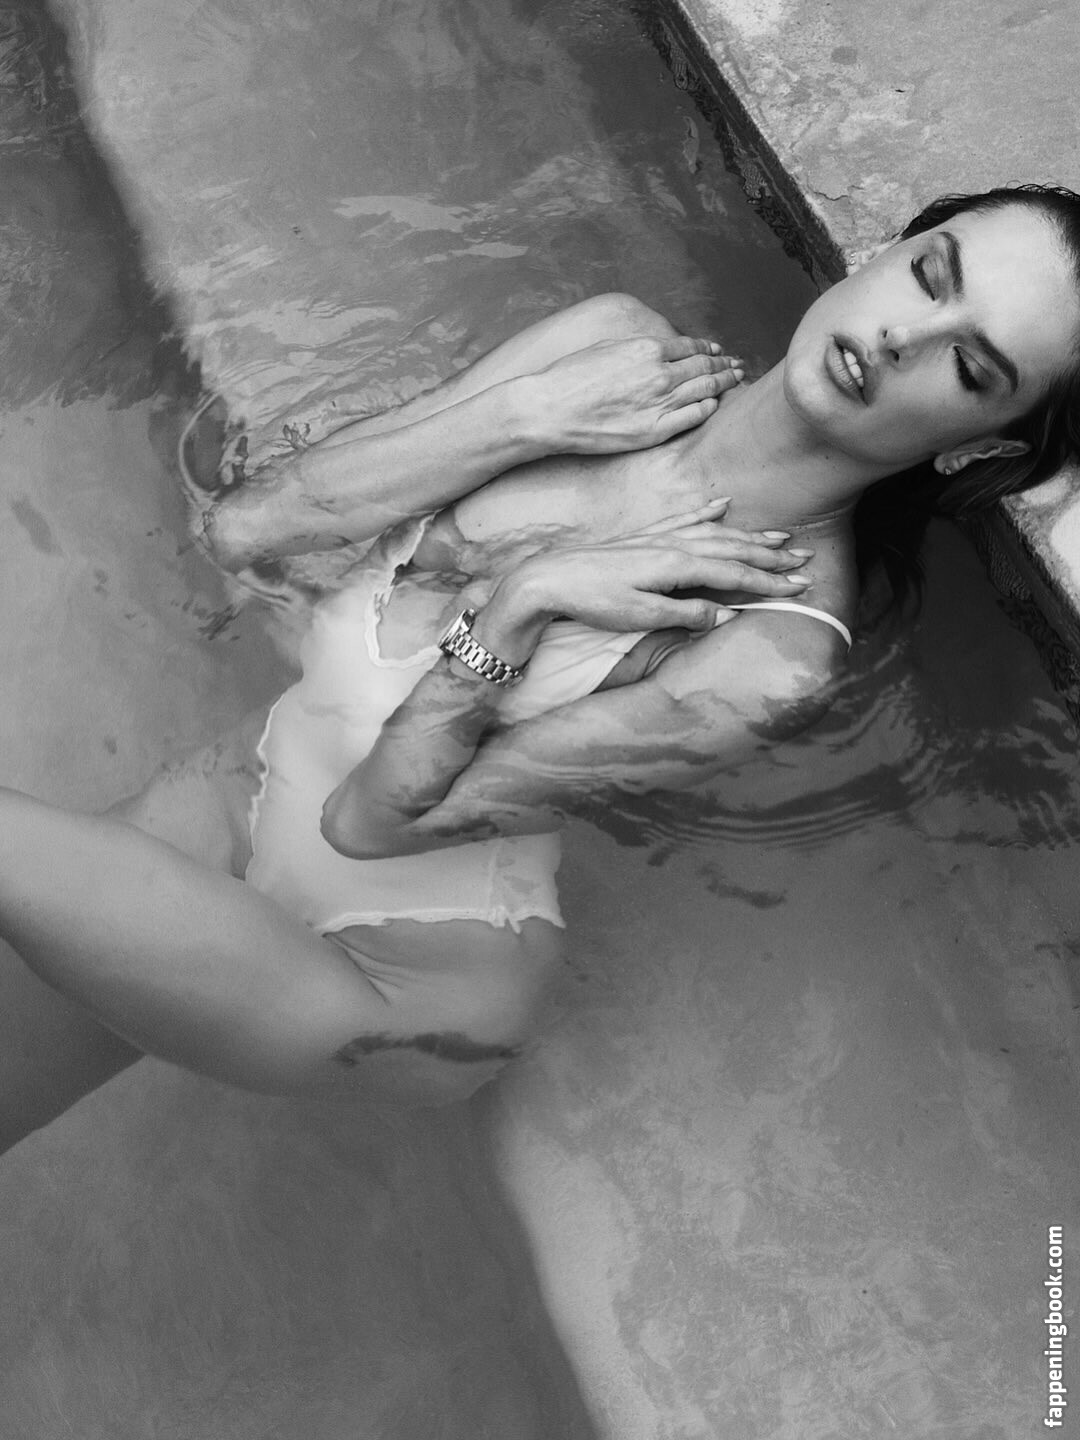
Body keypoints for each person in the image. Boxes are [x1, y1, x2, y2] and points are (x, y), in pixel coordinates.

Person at [2, 184, 1079, 1136]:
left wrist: (526, 602)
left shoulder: (775, 647)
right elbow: (251, 530)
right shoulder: (611, 353)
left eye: (969, 365)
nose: (902, 339)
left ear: (981, 445)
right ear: (885, 251)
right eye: (931, 275)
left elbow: (371, 823)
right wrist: (517, 417)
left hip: (387, 975)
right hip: (250, 779)